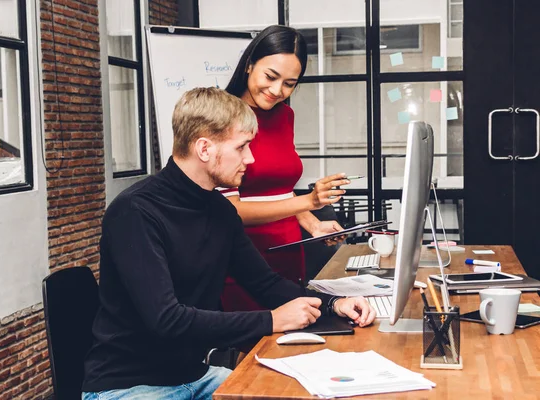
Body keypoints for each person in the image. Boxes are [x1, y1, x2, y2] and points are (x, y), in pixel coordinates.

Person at [81, 87, 375, 400]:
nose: (250, 158)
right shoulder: (135, 211)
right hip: (129, 387)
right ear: (204, 149)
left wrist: (334, 304)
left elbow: (266, 284)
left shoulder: (220, 211)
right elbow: (166, 320)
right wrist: (272, 320)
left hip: (196, 376)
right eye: (242, 146)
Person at [221, 25, 350, 312]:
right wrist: (309, 201)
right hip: (244, 264)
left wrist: (313, 224)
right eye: (270, 76)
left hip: (290, 252)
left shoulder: (284, 116)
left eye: (290, 83)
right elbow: (232, 211)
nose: (277, 90)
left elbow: (279, 189)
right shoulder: (222, 117)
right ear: (250, 63)